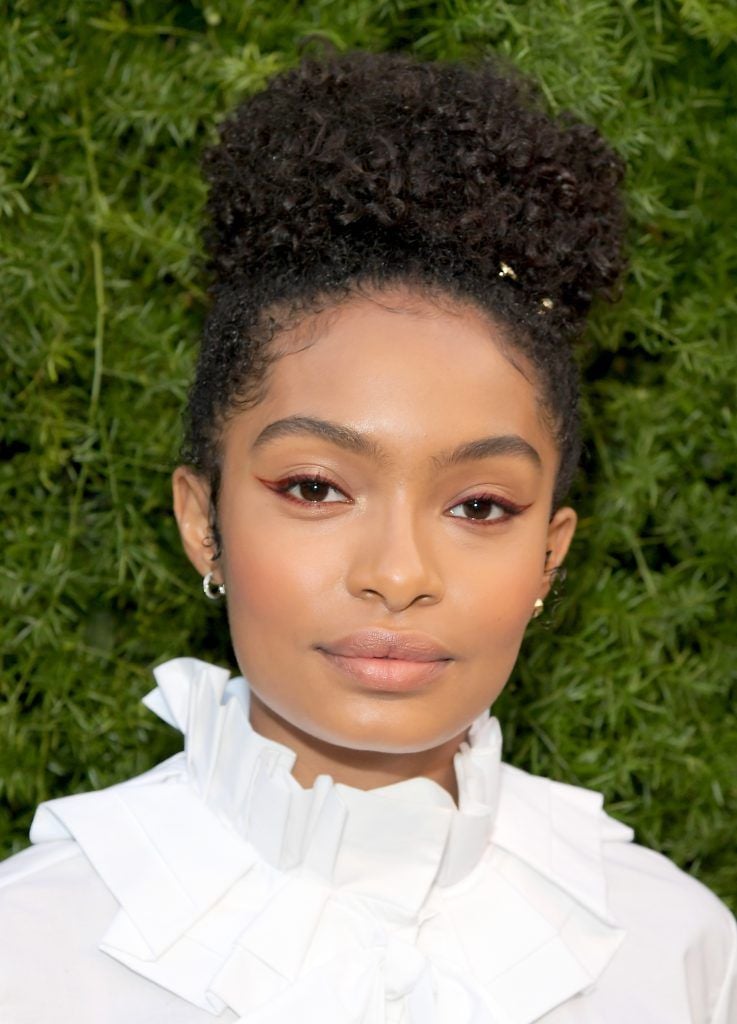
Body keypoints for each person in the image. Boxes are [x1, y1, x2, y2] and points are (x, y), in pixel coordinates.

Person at [0, 50, 734, 1024]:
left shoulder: (669, 949)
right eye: (313, 486)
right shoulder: (34, 948)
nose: (397, 572)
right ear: (200, 520)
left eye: (479, 506)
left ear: (549, 555)